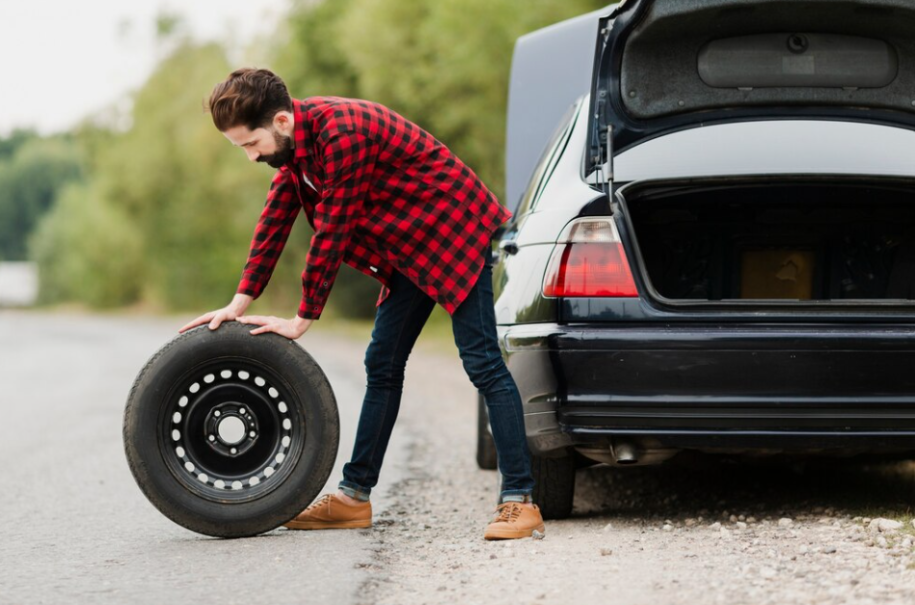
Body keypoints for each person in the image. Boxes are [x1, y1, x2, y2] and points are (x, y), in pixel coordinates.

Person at [179, 68, 544, 540]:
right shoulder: (295, 152)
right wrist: (238, 301)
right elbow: (274, 221)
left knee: (482, 363)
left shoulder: (342, 133)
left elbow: (334, 229)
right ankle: (354, 499)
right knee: (383, 363)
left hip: (454, 228)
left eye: (251, 144)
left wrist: (304, 317)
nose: (251, 157)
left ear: (282, 122)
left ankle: (520, 501)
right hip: (410, 247)